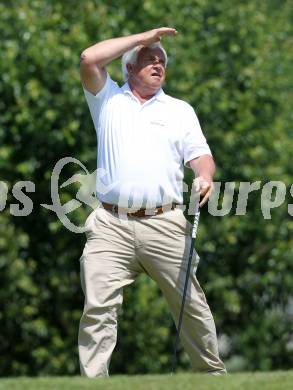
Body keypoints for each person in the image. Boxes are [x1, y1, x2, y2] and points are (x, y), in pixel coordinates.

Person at [78, 27, 226, 377]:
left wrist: (205, 175)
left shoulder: (180, 110)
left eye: (162, 62)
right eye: (149, 59)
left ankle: (213, 379)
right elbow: (89, 58)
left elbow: (201, 156)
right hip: (111, 225)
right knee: (98, 309)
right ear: (129, 67)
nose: (158, 65)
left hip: (165, 223)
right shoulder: (107, 99)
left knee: (191, 306)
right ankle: (91, 384)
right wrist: (143, 38)